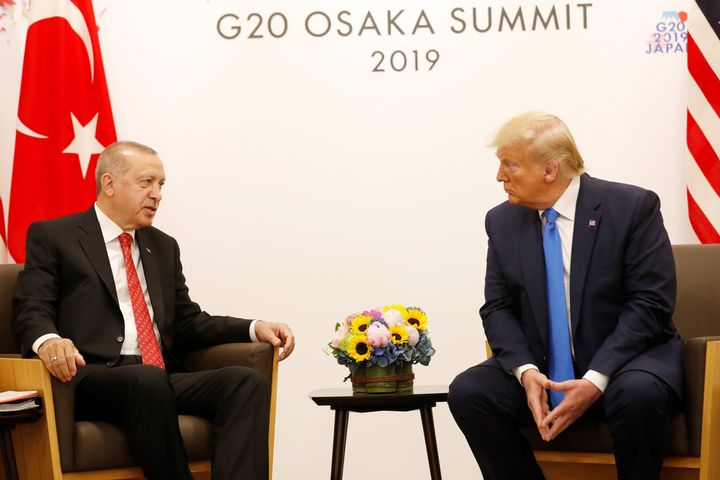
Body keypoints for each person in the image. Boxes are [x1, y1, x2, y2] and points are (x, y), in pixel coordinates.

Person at [12, 140, 295, 480]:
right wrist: (49, 341)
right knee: (146, 379)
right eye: (147, 182)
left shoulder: (162, 246)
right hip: (92, 377)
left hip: (157, 376)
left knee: (244, 382)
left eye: (161, 185)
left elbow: (189, 322)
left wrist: (253, 327)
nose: (157, 194)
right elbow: (32, 307)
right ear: (110, 184)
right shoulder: (56, 236)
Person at [448, 112, 682, 480]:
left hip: (623, 363)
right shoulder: (502, 221)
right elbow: (498, 307)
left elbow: (650, 304)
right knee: (469, 392)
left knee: (638, 394)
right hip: (544, 366)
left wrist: (594, 379)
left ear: (549, 170)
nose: (499, 177)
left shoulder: (632, 207)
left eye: (509, 165)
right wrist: (526, 373)